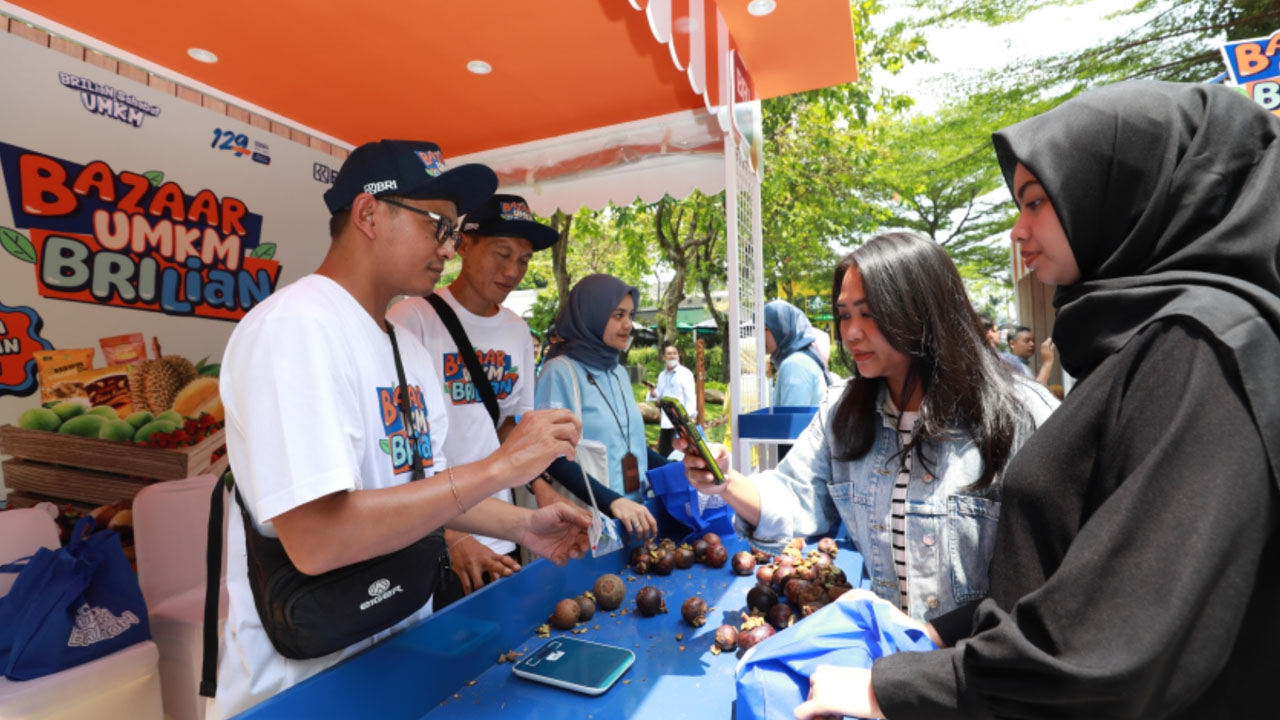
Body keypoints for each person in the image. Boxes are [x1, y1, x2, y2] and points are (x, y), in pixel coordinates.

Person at [795, 81, 1280, 720]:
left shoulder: (1198, 350)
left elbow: (1109, 644)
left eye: (1036, 202)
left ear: (1125, 193)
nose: (1019, 231)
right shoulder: (1144, 343)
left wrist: (893, 689)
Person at [211, 141, 590, 719]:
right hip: (305, 677)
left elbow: (426, 487)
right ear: (367, 214)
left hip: (396, 646)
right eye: (437, 225)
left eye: (455, 229)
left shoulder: (404, 345)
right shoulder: (295, 329)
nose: (447, 247)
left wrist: (524, 524)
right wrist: (499, 467)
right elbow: (317, 540)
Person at [681, 231, 1058, 621]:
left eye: (870, 313)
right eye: (845, 315)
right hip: (888, 665)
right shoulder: (843, 413)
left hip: (985, 670)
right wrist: (724, 482)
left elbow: (1054, 578)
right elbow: (794, 494)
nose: (851, 332)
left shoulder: (1021, 415)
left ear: (923, 310)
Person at [387, 194, 655, 596]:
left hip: (501, 526)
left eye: (525, 259)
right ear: (463, 245)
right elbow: (400, 451)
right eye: (502, 253)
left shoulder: (516, 331)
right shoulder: (412, 318)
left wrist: (540, 490)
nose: (513, 270)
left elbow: (511, 427)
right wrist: (453, 534)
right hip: (435, 534)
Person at [536, 275, 649, 499]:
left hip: (638, 515)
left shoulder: (618, 372)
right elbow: (551, 456)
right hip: (591, 519)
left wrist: (680, 466)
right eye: (618, 315)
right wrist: (612, 503)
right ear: (591, 315)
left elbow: (631, 442)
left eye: (630, 315)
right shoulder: (559, 373)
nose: (628, 324)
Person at [763, 300, 828, 406]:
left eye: (765, 329)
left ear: (782, 328)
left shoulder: (794, 364)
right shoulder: (799, 360)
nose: (760, 335)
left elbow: (792, 420)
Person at [645, 343, 696, 457]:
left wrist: (687, 420)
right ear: (663, 357)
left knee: (677, 455)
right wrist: (653, 392)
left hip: (679, 422)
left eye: (674, 353)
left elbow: (691, 398)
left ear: (678, 356)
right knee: (663, 453)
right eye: (669, 354)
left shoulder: (685, 374)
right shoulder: (662, 375)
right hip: (666, 421)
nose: (672, 356)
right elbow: (660, 395)